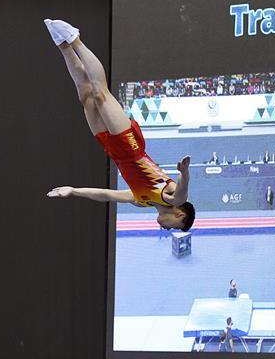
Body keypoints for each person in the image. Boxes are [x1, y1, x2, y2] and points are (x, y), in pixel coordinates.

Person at [43, 20, 195, 231]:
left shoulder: (141, 200)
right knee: (100, 95)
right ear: (180, 214)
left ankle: (63, 45)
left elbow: (107, 195)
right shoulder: (173, 199)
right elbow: (183, 191)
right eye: (176, 226)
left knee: (86, 97)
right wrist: (185, 173)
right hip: (131, 148)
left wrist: (74, 190)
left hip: (114, 152)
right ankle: (75, 39)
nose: (168, 229)